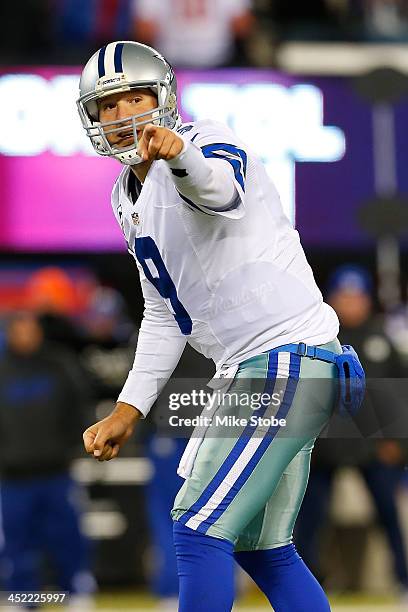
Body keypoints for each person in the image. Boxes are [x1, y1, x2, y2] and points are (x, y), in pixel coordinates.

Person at [78, 41, 359, 612]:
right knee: (263, 550)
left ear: (164, 99)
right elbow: (163, 313)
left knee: (197, 529)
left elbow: (218, 189)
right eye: (109, 106)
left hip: (283, 358)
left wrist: (179, 153)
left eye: (136, 98)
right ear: (92, 119)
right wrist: (128, 408)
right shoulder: (123, 197)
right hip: (261, 368)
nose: (125, 115)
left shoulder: (205, 141)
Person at [296, 265, 408, 595]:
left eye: (356, 296)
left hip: (373, 444)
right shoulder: (319, 337)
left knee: (388, 514)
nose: (350, 303)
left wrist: (397, 442)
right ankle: (308, 585)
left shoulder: (381, 339)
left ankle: (403, 581)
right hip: (326, 443)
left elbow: (399, 393)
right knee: (310, 520)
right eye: (344, 296)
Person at [0, 312, 95, 607]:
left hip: (57, 471)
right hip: (13, 476)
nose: (26, 335)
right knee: (18, 543)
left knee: (67, 536)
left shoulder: (60, 364)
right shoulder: (2, 370)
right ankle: (24, 598)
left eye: (31, 329)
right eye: (20, 329)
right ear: (10, 333)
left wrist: (74, 449)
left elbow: (80, 407)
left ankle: (76, 593)